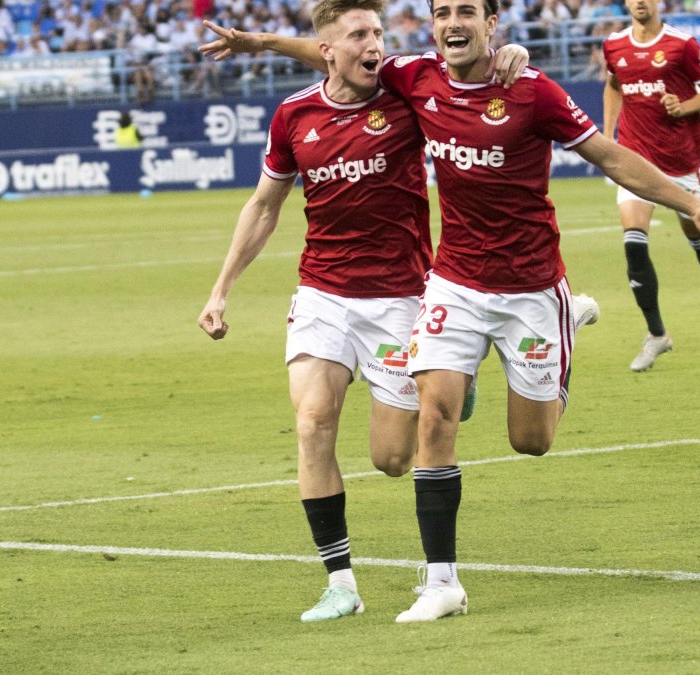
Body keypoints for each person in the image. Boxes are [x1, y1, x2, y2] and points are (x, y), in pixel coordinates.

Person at [202, 0, 700, 623]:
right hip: (452, 282)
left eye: (468, 11)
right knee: (431, 416)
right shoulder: (416, 77)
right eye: (442, 12)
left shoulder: (531, 90)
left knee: (530, 441)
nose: (452, 21)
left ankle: (565, 323)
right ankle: (441, 584)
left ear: (493, 24)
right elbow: (338, 54)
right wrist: (258, 42)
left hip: (528, 286)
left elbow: (609, 155)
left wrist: (689, 203)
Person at [197, 0, 527, 624]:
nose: (375, 43)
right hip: (323, 294)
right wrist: (220, 291)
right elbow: (265, 206)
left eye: (378, 32)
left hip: (401, 299)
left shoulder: (404, 95)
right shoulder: (294, 114)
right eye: (359, 35)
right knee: (313, 422)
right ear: (327, 47)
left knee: (391, 460)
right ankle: (341, 583)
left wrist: (511, 56)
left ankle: (461, 362)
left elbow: (472, 66)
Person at [603, 0, 700, 371]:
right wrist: (609, 134)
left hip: (681, 163)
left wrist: (684, 106)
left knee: (699, 240)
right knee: (633, 243)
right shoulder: (614, 45)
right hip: (636, 159)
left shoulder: (682, 44)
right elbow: (613, 84)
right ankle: (657, 334)